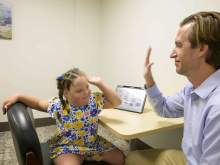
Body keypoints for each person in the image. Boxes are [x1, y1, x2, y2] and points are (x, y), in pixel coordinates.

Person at [125, 11, 220, 165]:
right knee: (132, 158)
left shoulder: (217, 108)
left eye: (179, 45)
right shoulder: (192, 89)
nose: (171, 54)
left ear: (202, 49)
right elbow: (164, 108)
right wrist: (149, 79)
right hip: (190, 159)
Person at [2, 67, 125, 165]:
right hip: (67, 146)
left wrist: (100, 83)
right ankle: (82, 157)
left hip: (92, 144)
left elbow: (117, 102)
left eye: (87, 87)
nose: (86, 92)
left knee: (120, 159)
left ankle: (89, 156)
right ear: (66, 93)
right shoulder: (59, 105)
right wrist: (18, 96)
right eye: (79, 90)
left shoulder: (94, 100)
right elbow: (37, 103)